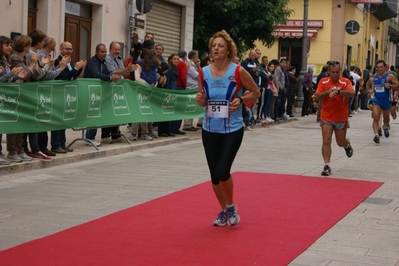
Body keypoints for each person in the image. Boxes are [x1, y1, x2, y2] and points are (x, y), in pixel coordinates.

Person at [196, 30, 260, 226]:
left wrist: (241, 99)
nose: (216, 48)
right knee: (214, 176)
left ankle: (231, 206)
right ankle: (224, 211)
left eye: (220, 45)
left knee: (223, 170)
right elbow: (203, 100)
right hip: (209, 128)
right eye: (213, 45)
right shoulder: (203, 72)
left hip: (232, 129)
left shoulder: (238, 71)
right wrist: (201, 100)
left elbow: (255, 92)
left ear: (228, 50)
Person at [315, 61, 355, 176]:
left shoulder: (345, 81)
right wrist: (328, 92)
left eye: (337, 72)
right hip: (327, 116)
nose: (335, 74)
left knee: (340, 142)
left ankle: (346, 145)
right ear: (328, 71)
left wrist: (338, 92)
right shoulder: (324, 81)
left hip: (341, 116)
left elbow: (352, 92)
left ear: (340, 71)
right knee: (326, 141)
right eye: (333, 72)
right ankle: (327, 165)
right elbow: (317, 96)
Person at [51, 41, 87, 153]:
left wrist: (79, 68)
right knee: (58, 120)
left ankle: (62, 143)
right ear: (61, 49)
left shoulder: (69, 60)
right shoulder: (58, 61)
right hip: (59, 93)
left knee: (64, 120)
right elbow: (63, 76)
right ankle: (56, 145)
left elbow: (73, 75)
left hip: (67, 94)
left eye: (71, 49)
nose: (69, 51)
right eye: (67, 49)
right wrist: (75, 69)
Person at [83, 43, 119, 147]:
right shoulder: (93, 61)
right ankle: (89, 138)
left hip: (98, 91)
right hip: (89, 91)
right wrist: (110, 78)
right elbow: (96, 75)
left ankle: (91, 137)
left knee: (96, 114)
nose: (104, 54)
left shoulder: (103, 62)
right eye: (101, 52)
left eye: (105, 52)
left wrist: (111, 76)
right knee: (92, 114)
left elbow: (107, 73)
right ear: (96, 52)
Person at [368, 60, 399, 143]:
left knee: (386, 118)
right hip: (377, 100)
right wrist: (370, 90)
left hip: (386, 100)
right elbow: (368, 84)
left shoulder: (389, 76)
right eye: (378, 67)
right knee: (376, 117)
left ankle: (385, 127)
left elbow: (397, 85)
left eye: (381, 67)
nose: (380, 69)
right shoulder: (375, 76)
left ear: (384, 67)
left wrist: (390, 86)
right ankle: (376, 135)